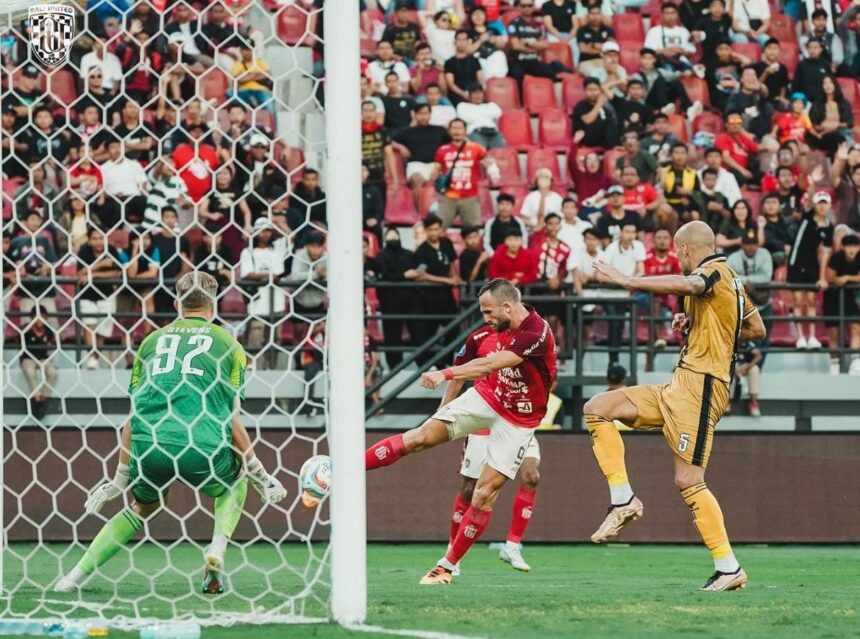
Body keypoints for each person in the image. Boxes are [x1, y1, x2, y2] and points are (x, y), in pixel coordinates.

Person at [54, 272, 286, 594]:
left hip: (149, 446)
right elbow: (233, 422)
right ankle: (216, 551)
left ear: (176, 304)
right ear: (213, 305)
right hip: (200, 446)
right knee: (236, 479)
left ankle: (72, 579)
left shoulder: (150, 342)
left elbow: (133, 416)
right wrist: (261, 473)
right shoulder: (230, 345)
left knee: (144, 504)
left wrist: (118, 478)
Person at [587, 220, 766, 591]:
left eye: (676, 253)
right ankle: (623, 500)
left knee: (689, 480)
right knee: (598, 407)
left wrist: (628, 281)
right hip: (680, 384)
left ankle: (729, 567)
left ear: (685, 250)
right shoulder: (734, 281)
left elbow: (690, 284)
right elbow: (756, 329)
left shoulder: (712, 272)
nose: (678, 260)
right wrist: (698, 322)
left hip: (702, 387)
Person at [364, 279, 557, 585]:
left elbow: (489, 363)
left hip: (518, 420)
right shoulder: (494, 328)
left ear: (507, 306)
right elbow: (480, 364)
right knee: (418, 437)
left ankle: (447, 567)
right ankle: (344, 469)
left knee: (483, 494)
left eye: (488, 311)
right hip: (488, 396)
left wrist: (444, 373)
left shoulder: (536, 333)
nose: (485, 318)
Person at [442, 325, 542, 575]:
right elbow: (459, 374)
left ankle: (512, 545)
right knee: (470, 489)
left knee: (531, 475)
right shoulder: (479, 337)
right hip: (485, 417)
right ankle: (452, 551)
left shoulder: (531, 337)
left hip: (518, 420)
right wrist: (442, 413)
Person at [239, 217, 290, 368]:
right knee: (256, 332)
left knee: (275, 336)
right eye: (262, 231)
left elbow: (290, 237)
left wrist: (279, 221)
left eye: (268, 231)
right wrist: (266, 276)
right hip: (258, 300)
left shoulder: (277, 249)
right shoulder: (248, 252)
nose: (265, 235)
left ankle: (270, 367)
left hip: (276, 299)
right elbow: (245, 273)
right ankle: (250, 365)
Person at [409, 214, 460, 366]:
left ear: (441, 229)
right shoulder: (421, 251)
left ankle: (445, 360)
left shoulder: (446, 243)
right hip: (429, 298)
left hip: (446, 297)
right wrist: (446, 280)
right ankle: (432, 363)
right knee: (429, 333)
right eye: (430, 230)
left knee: (453, 328)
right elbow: (420, 276)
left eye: (436, 229)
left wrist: (453, 277)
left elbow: (451, 263)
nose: (433, 233)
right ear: (425, 231)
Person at [431, 118, 499, 228]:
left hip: (470, 197)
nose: (457, 131)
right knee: (438, 229)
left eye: (459, 128)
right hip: (448, 197)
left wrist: (493, 168)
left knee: (473, 231)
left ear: (465, 130)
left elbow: (488, 160)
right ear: (449, 131)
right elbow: (436, 170)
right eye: (454, 128)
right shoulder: (442, 150)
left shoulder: (475, 148)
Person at [787, 191, 834, 350]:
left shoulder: (829, 227)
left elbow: (825, 253)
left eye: (825, 203)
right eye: (819, 203)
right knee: (798, 301)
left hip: (812, 266)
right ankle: (801, 338)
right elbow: (806, 199)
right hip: (796, 264)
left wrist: (822, 277)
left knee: (811, 302)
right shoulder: (807, 218)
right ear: (815, 205)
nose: (822, 206)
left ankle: (812, 337)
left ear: (829, 205)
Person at [76, 226, 124, 370]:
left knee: (102, 330)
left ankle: (95, 357)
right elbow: (80, 273)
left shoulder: (112, 250)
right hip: (87, 296)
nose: (98, 242)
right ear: (89, 241)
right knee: (89, 326)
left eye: (101, 238)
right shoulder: (84, 251)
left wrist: (93, 275)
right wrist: (100, 265)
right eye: (94, 239)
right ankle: (91, 357)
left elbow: (116, 273)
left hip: (106, 296)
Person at [392, 103, 450, 209]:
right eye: (420, 113)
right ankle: (419, 213)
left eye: (426, 113)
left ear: (430, 114)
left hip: (436, 165)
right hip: (416, 165)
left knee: (444, 180)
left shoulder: (439, 130)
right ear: (414, 115)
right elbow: (388, 141)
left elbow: (453, 143)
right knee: (416, 180)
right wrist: (400, 146)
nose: (423, 116)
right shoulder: (407, 131)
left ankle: (441, 212)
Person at [603, 222, 646, 363]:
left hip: (626, 293)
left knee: (620, 323)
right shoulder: (611, 248)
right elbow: (604, 270)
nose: (630, 235)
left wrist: (629, 281)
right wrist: (620, 281)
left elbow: (641, 270)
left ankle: (615, 356)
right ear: (621, 233)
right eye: (627, 231)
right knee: (614, 322)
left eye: (633, 232)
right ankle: (612, 357)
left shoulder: (638, 246)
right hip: (609, 293)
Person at [376, 227, 416, 368]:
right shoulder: (381, 256)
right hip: (390, 302)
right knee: (392, 334)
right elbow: (384, 276)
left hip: (409, 300)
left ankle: (422, 363)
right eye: (390, 238)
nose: (393, 240)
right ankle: (394, 366)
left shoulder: (409, 255)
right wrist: (403, 276)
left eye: (395, 237)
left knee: (417, 331)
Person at [824, 234, 860, 375]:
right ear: (843, 247)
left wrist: (846, 278)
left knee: (856, 327)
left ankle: (856, 361)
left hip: (849, 298)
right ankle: (834, 364)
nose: (852, 250)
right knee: (833, 333)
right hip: (832, 298)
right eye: (849, 246)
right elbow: (829, 277)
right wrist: (837, 280)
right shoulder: (836, 257)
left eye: (855, 246)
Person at [506, 0, 561, 87]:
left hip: (534, 61)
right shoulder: (514, 23)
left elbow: (545, 44)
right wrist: (534, 49)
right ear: (519, 7)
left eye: (529, 5)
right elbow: (516, 45)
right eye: (523, 6)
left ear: (534, 6)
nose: (527, 8)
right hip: (517, 61)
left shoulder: (538, 24)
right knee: (517, 75)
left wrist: (527, 43)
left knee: (552, 74)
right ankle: (520, 100)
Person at [19, 306, 58, 422]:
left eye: (43, 317)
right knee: (30, 372)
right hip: (28, 358)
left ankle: (43, 398)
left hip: (43, 359)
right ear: (31, 318)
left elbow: (54, 343)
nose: (40, 320)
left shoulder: (49, 331)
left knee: (52, 373)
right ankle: (36, 398)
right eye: (37, 317)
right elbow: (16, 340)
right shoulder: (25, 331)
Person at [643, 2, 699, 76]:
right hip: (662, 63)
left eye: (673, 13)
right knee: (668, 70)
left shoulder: (684, 31)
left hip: (681, 62)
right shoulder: (654, 31)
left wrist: (680, 51)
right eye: (667, 13)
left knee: (696, 71)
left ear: (677, 15)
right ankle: (677, 75)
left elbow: (691, 51)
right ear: (662, 15)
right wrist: (664, 51)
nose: (670, 16)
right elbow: (648, 52)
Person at [807, 75, 854, 156]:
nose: (827, 85)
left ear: (835, 85)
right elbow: (811, 125)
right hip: (821, 135)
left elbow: (850, 122)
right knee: (840, 139)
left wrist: (838, 125)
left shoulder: (843, 103)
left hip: (839, 133)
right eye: (824, 83)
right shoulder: (817, 104)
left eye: (830, 82)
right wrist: (826, 127)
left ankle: (832, 158)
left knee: (840, 137)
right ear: (822, 87)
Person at [572, 78, 619, 150]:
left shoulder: (605, 108)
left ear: (599, 91)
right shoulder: (581, 106)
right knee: (609, 122)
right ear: (585, 91)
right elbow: (587, 121)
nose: (593, 92)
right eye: (589, 90)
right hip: (585, 137)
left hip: (601, 138)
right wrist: (599, 104)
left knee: (616, 119)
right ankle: (612, 147)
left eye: (595, 90)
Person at [456, 84, 505, 149]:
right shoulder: (463, 105)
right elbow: (465, 118)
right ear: (469, 95)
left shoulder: (491, 105)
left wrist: (476, 113)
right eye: (475, 93)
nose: (478, 96)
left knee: (501, 152)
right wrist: (486, 114)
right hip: (476, 133)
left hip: (493, 132)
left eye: (480, 93)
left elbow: (498, 113)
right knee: (480, 153)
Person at [444, 30, 485, 106]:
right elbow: (451, 84)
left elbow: (480, 80)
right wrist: (464, 94)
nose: (461, 42)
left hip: (474, 94)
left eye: (464, 39)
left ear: (468, 42)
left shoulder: (475, 60)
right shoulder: (449, 62)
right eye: (459, 39)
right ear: (455, 42)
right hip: (458, 96)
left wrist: (477, 94)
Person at [521, 168, 563, 233]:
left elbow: (561, 219)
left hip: (553, 231)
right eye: (541, 177)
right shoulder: (530, 197)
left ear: (551, 181)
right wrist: (536, 226)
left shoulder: (557, 198)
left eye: (546, 177)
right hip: (534, 230)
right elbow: (524, 219)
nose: (544, 180)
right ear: (536, 181)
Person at [577, 5, 615, 75]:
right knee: (595, 74)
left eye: (597, 13)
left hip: (604, 60)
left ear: (601, 15)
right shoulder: (582, 30)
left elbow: (612, 47)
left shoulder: (608, 30)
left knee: (616, 71)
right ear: (588, 15)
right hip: (586, 62)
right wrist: (602, 49)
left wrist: (592, 46)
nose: (595, 17)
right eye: (592, 14)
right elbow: (583, 49)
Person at [734, 341, 763, 416]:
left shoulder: (749, 344)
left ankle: (753, 402)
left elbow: (758, 356)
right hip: (732, 367)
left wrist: (747, 367)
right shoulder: (729, 341)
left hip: (746, 366)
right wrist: (735, 370)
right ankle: (725, 402)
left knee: (755, 369)